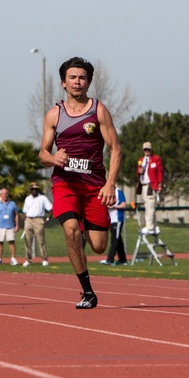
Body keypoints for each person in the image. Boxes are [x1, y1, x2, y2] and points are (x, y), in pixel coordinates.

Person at [39, 57, 122, 309]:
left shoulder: (98, 110)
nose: (77, 81)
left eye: (82, 77)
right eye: (72, 77)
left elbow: (116, 149)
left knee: (98, 246)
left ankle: (83, 228)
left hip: (94, 186)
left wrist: (109, 184)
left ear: (88, 82)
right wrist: (54, 158)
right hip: (65, 183)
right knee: (70, 229)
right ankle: (87, 292)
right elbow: (42, 153)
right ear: (64, 82)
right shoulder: (55, 114)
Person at [21, 181, 52, 266]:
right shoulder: (27, 198)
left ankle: (44, 259)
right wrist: (26, 219)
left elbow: (50, 209)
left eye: (36, 189)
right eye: (32, 189)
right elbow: (25, 211)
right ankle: (28, 259)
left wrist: (48, 218)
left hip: (38, 219)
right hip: (29, 219)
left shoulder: (43, 198)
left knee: (41, 240)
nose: (34, 191)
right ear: (30, 190)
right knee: (27, 240)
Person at [136, 141, 163, 235]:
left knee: (150, 205)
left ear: (151, 150)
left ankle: (150, 227)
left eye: (148, 149)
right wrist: (139, 171)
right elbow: (138, 172)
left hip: (151, 185)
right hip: (143, 185)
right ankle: (155, 227)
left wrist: (159, 184)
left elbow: (159, 172)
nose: (147, 151)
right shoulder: (141, 160)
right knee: (148, 205)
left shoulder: (156, 159)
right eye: (145, 150)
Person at [0, 187, 20, 265]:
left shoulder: (12, 204)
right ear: (0, 195)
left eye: (6, 193)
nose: (4, 195)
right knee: (0, 242)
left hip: (10, 226)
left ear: (8, 194)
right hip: (0, 227)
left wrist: (17, 225)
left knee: (11, 241)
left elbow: (16, 215)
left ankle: (13, 258)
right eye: (3, 194)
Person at [103, 183, 128, 265]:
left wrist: (113, 207)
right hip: (111, 219)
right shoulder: (107, 192)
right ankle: (123, 259)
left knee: (114, 240)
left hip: (117, 219)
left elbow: (124, 205)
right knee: (118, 240)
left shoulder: (118, 192)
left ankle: (110, 260)